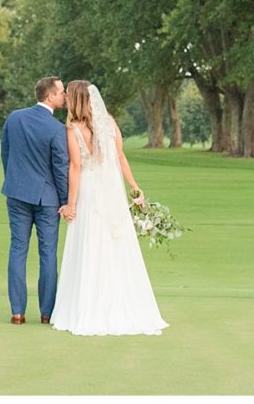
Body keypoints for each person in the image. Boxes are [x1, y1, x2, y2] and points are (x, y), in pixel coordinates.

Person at [49, 79, 167, 336]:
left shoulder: (72, 128)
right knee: (114, 246)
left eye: (68, 95)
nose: (66, 99)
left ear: (76, 99)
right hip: (110, 191)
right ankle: (123, 302)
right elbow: (121, 156)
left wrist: (70, 203)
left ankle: (88, 306)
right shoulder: (109, 123)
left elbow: (76, 167)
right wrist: (134, 187)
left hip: (89, 193)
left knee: (90, 244)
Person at [0, 76, 71, 325]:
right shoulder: (56, 129)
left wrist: (14, 180)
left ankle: (17, 312)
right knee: (48, 253)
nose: (64, 96)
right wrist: (65, 200)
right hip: (47, 198)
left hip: (16, 193)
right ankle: (47, 312)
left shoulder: (14, 118)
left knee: (17, 249)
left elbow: (5, 153)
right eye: (61, 92)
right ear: (50, 96)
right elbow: (60, 167)